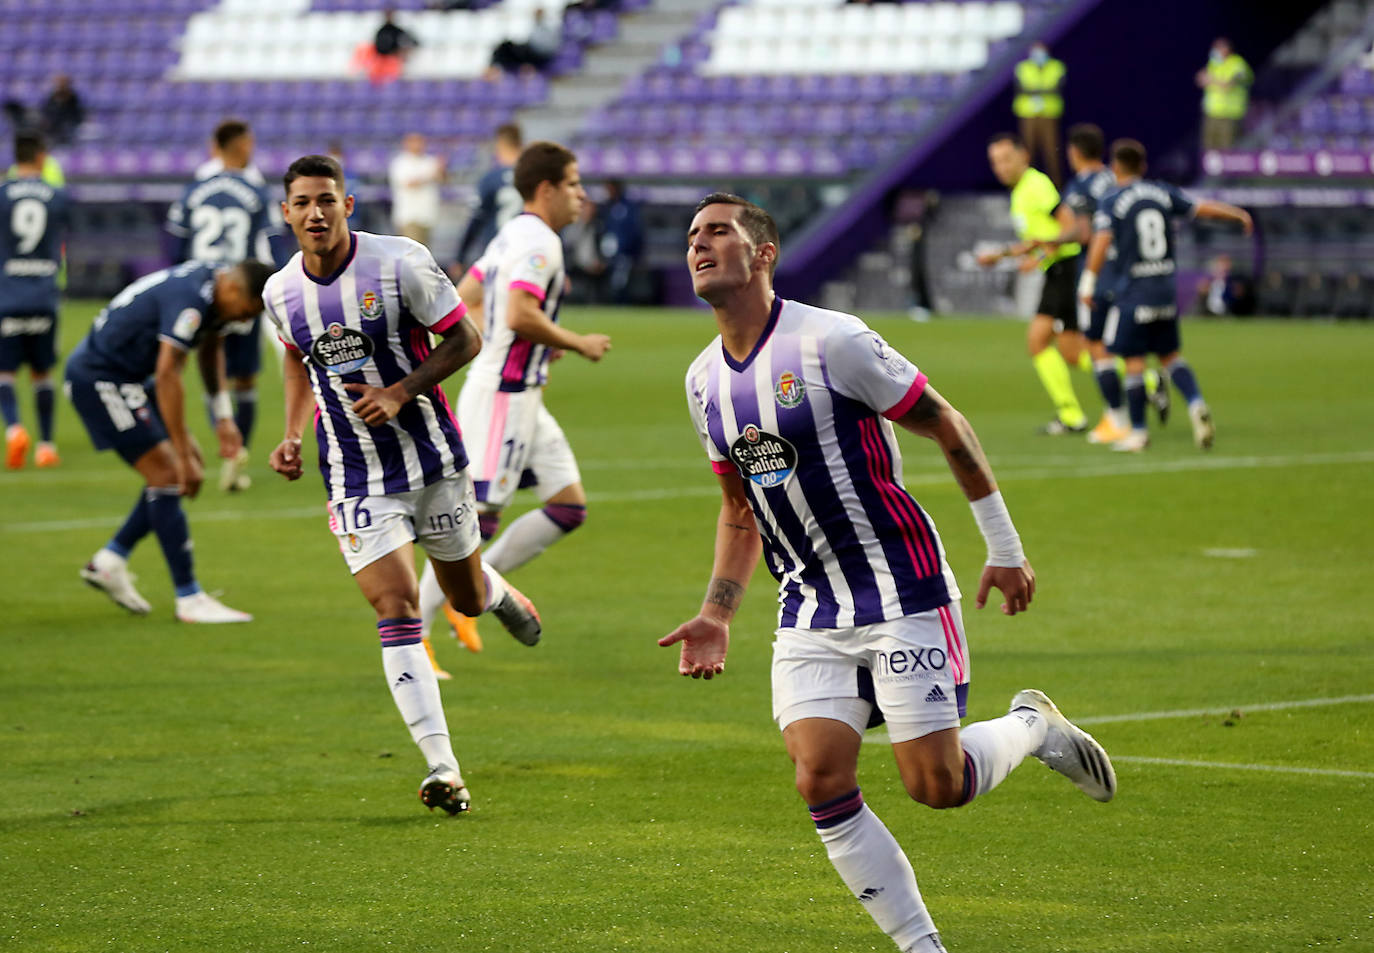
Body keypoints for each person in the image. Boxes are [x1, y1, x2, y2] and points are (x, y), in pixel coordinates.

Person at [661, 193, 1115, 953]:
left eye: (719, 232)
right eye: (691, 236)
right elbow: (739, 506)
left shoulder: (831, 341)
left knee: (936, 786)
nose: (699, 245)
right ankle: (921, 945)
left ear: (763, 252)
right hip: (808, 604)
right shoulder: (702, 381)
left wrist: (1003, 547)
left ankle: (1033, 726)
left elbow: (947, 423)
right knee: (819, 779)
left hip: (899, 583)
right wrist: (718, 611)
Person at [263, 154, 542, 815]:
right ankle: (444, 767)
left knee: (466, 599)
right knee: (395, 607)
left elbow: (465, 338)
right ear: (286, 212)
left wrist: (400, 390)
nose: (315, 212)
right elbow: (299, 362)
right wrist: (293, 433)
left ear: (348, 204)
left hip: (433, 463)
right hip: (355, 476)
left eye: (326, 199)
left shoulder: (399, 262)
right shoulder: (280, 293)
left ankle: (494, 589)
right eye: (302, 202)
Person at [416, 141, 610, 656]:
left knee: (568, 507)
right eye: (572, 183)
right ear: (546, 189)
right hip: (504, 395)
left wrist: (523, 339)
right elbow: (521, 314)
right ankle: (417, 634)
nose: (580, 194)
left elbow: (466, 295)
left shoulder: (512, 234)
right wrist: (576, 342)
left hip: (522, 392)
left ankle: (476, 592)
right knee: (471, 522)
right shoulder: (540, 242)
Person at [66, 259, 270, 621]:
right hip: (102, 378)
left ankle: (109, 562)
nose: (246, 321)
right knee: (170, 473)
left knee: (174, 472)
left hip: (130, 379)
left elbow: (210, 350)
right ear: (234, 290)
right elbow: (167, 372)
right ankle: (189, 598)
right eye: (247, 311)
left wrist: (223, 418)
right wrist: (182, 448)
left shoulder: (216, 291)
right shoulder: (191, 299)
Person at [1079, 139, 1252, 452]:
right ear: (1143, 166)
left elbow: (1101, 241)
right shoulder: (1162, 192)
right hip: (1164, 290)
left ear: (1116, 167)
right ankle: (1196, 403)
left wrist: (1088, 283)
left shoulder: (1112, 199)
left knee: (1133, 361)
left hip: (1133, 290)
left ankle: (1139, 433)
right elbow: (1201, 208)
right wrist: (1236, 213)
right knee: (1170, 356)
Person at [166, 119, 283, 493]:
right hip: (241, 290)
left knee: (208, 371)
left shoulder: (194, 189)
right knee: (244, 378)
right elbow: (272, 239)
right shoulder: (254, 189)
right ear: (240, 145)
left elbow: (175, 242)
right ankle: (238, 455)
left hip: (202, 290)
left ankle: (223, 445)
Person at [1043, 123, 1168, 445]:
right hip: (1129, 274)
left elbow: (1085, 232)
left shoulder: (1080, 186)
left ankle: (1117, 417)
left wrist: (1049, 241)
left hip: (1098, 275)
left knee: (1097, 347)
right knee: (1123, 346)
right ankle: (1141, 399)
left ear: (1073, 152)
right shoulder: (1116, 180)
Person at [978, 132, 1091, 435]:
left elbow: (1070, 228)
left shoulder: (1036, 185)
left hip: (1064, 270)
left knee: (1038, 341)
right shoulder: (1021, 192)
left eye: (1005, 159)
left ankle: (1071, 415)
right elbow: (1038, 240)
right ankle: (1145, 382)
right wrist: (1006, 256)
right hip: (1056, 270)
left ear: (1023, 156)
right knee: (1073, 353)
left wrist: (1040, 258)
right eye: (995, 162)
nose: (1000, 167)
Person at [1, 132, 70, 469]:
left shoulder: (2, 194)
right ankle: (46, 445)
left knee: (5, 372)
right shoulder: (57, 195)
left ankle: (14, 429)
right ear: (41, 157)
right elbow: (63, 240)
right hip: (44, 293)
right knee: (43, 373)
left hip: (7, 294)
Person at [455, 124, 524, 274]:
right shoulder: (535, 178)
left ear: (499, 144)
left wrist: (460, 257)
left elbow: (476, 219)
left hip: (498, 253)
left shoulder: (491, 179)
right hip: (527, 254)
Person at [1012, 42, 1065, 186]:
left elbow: (1058, 87)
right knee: (1027, 151)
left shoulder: (1056, 67)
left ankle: (1056, 186)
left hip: (1049, 114)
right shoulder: (1023, 68)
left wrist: (1035, 91)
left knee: (1051, 151)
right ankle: (1026, 184)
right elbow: (1020, 89)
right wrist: (1043, 91)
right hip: (1028, 114)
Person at [1196, 38, 1252, 150]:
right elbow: (1199, 79)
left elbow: (1228, 85)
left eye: (1218, 48)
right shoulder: (1214, 63)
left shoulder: (1237, 63)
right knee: (1208, 151)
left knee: (1226, 151)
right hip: (1212, 113)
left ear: (1226, 49)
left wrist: (1211, 80)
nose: (1214, 50)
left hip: (1229, 115)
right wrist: (1212, 80)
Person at [596, 179, 643, 304]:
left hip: (624, 254)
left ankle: (622, 306)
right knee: (607, 283)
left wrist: (634, 253)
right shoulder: (605, 207)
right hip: (606, 254)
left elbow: (635, 231)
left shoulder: (628, 207)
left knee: (620, 283)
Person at [488, 8, 561, 78]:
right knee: (505, 48)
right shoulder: (533, 24)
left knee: (507, 48)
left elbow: (546, 46)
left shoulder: (551, 25)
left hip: (540, 54)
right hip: (532, 52)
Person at [40, 75, 84, 146]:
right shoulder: (52, 97)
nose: (60, 85)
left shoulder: (73, 98)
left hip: (69, 125)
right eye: (59, 83)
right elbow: (47, 111)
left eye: (63, 83)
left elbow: (76, 115)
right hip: (54, 126)